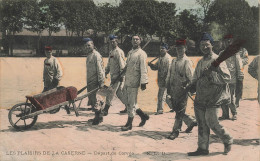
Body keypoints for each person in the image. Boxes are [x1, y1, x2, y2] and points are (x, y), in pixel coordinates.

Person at [187, 32, 233, 156]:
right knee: (201, 124)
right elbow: (195, 78)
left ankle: (227, 139)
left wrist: (212, 76)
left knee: (212, 122)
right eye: (202, 45)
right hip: (201, 97)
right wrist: (191, 86)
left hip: (214, 97)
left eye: (207, 45)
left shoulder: (218, 60)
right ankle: (203, 148)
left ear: (212, 45)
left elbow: (227, 78)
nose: (204, 47)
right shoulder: (201, 61)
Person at [165, 39, 197, 140]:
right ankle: (190, 121)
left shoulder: (187, 61)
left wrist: (189, 87)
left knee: (179, 111)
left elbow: (191, 77)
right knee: (175, 107)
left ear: (185, 48)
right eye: (177, 48)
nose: (179, 50)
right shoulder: (174, 60)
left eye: (181, 48)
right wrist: (168, 86)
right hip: (173, 89)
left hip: (183, 90)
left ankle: (175, 131)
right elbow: (170, 75)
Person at [121, 35, 149, 131]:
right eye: (133, 39)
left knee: (131, 103)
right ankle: (143, 116)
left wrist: (144, 82)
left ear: (140, 41)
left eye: (137, 39)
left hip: (134, 81)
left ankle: (129, 123)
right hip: (127, 80)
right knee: (130, 102)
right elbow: (127, 66)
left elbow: (143, 69)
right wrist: (122, 75)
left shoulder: (142, 54)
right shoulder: (130, 52)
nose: (135, 40)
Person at [219, 34, 243, 120]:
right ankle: (225, 114)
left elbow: (239, 65)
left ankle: (234, 113)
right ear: (223, 42)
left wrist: (240, 76)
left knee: (230, 97)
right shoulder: (221, 53)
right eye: (226, 41)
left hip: (232, 79)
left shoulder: (235, 53)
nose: (228, 43)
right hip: (222, 79)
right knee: (222, 97)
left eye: (230, 41)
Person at [103, 35, 128, 116]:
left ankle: (106, 109)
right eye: (110, 42)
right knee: (119, 93)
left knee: (110, 91)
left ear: (117, 42)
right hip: (113, 76)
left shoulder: (118, 52)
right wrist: (106, 72)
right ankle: (129, 107)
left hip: (118, 76)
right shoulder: (111, 52)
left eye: (114, 41)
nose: (112, 43)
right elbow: (109, 64)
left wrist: (121, 76)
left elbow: (122, 65)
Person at [84, 38, 105, 125]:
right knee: (92, 100)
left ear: (93, 45)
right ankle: (98, 117)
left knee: (97, 100)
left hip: (95, 82)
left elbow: (100, 70)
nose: (87, 47)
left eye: (89, 45)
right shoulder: (89, 55)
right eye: (86, 46)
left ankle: (98, 118)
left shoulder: (96, 55)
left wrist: (101, 82)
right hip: (90, 81)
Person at [148, 43, 172, 115]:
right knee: (166, 95)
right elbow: (156, 67)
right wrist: (151, 65)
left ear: (167, 50)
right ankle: (174, 107)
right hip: (161, 79)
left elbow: (169, 71)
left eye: (163, 48)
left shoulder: (168, 59)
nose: (161, 50)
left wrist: (167, 81)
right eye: (160, 48)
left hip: (166, 79)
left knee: (161, 95)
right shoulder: (161, 57)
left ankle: (160, 110)